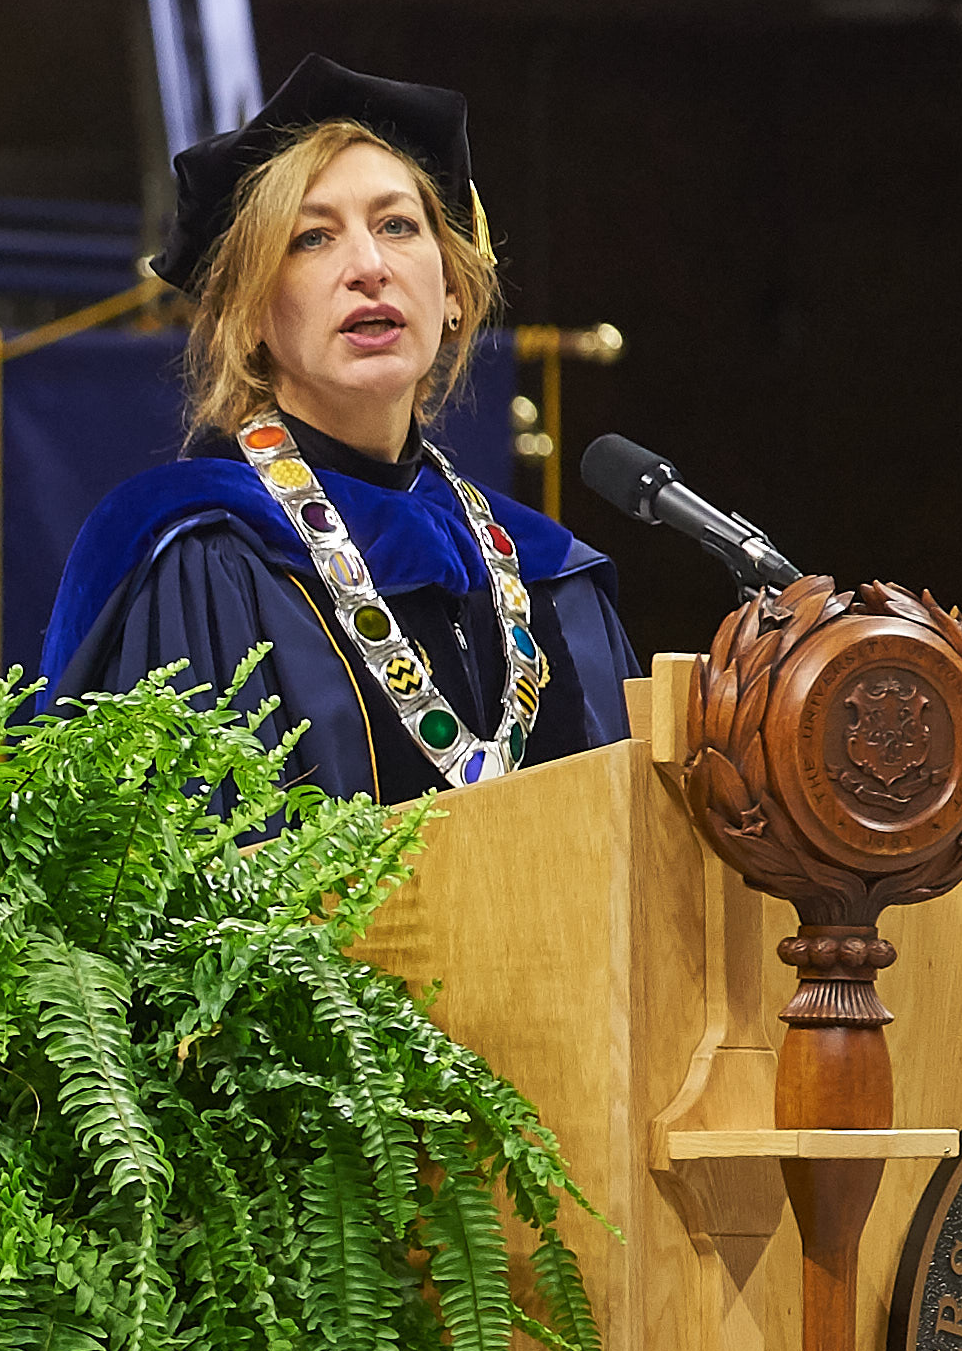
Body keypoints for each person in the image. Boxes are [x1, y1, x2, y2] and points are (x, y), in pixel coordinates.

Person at [45, 60, 636, 804]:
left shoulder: (548, 576)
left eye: (397, 226)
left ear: (453, 293)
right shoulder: (205, 559)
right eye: (312, 239)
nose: (369, 266)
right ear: (250, 315)